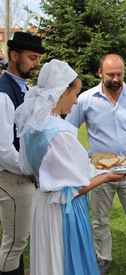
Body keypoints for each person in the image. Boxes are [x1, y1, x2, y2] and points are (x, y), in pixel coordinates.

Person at [14, 59, 126, 275]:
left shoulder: (34, 125)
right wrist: (105, 177)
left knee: (48, 261)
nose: (76, 102)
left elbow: (29, 169)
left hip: (42, 203)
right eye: (75, 94)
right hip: (61, 212)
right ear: (62, 92)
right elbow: (73, 190)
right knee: (63, 261)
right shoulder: (59, 133)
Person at [66, 54, 126, 275]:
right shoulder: (87, 99)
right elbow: (68, 130)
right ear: (101, 73)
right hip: (99, 172)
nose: (115, 79)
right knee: (100, 220)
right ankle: (103, 258)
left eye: (119, 74)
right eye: (110, 74)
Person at [0, 31, 45, 275]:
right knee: (14, 243)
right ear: (14, 56)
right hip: (11, 176)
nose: (37, 63)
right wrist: (31, 170)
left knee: (19, 241)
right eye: (32, 57)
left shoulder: (21, 88)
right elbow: (4, 150)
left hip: (21, 174)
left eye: (38, 58)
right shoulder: (3, 93)